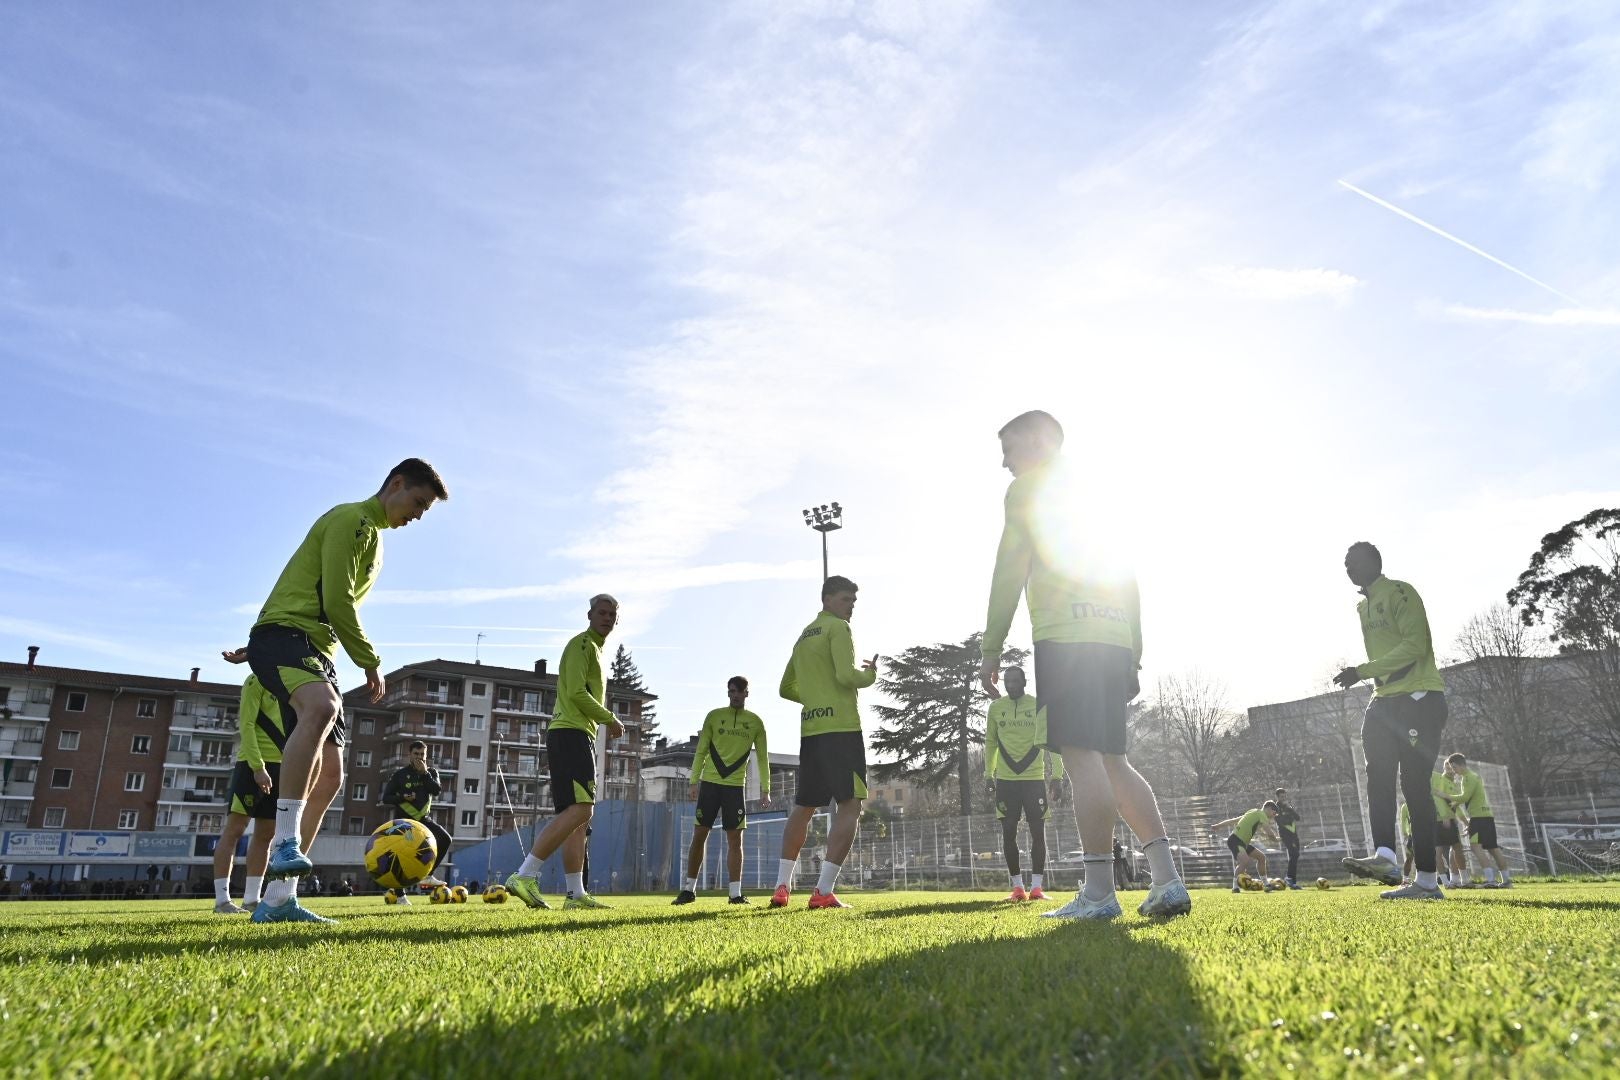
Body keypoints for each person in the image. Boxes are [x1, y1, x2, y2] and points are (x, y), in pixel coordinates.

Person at [979, 410, 1190, 920]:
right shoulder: (1096, 486)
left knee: (1081, 758)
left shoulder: (1027, 488)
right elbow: (1127, 572)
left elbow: (1010, 568)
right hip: (1112, 635)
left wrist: (991, 646)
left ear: (1035, 440)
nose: (1004, 461)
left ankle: (1098, 892)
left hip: (1067, 638)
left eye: (1008, 448)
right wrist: (1133, 649)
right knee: (1114, 759)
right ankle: (1167, 882)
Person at [240, 457, 448, 925]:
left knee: (331, 777)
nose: (416, 516)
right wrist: (370, 660)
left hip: (314, 650)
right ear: (395, 484)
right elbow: (334, 602)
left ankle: (277, 901)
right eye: (416, 503)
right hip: (289, 637)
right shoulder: (351, 519)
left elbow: (317, 592)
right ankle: (285, 841)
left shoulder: (373, 538)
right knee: (322, 704)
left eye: (425, 511)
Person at [1334, 541, 1449, 901]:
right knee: (1377, 774)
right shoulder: (1361, 605)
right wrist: (1371, 677)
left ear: (1373, 562)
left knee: (1415, 787)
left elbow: (1415, 647)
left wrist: (1362, 671)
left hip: (1420, 698)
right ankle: (1385, 855)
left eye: (1352, 561)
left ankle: (1428, 882)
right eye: (1345, 563)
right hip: (1383, 702)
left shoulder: (1401, 592)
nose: (1347, 568)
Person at [505, 595, 625, 911]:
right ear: (589, 614)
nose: (607, 618)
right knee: (582, 810)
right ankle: (525, 874)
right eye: (602, 612)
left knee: (578, 817)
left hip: (576, 734)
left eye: (612, 614)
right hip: (570, 734)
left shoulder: (596, 650)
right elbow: (575, 692)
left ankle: (575, 894)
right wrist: (609, 718)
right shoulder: (581, 645)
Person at [772, 575, 878, 910]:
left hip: (811, 731)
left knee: (804, 807)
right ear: (828, 599)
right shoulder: (838, 629)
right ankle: (823, 892)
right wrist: (870, 675)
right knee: (851, 805)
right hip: (842, 729)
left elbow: (786, 688)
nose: (852, 608)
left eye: (853, 602)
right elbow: (848, 676)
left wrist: (816, 697)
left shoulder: (804, 636)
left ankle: (781, 887)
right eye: (847, 599)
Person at [675, 676, 769, 905]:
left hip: (735, 788)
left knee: (735, 841)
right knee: (699, 836)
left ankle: (735, 894)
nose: (735, 695)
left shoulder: (756, 722)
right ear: (727, 693)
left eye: (739, 691)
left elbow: (763, 758)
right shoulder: (714, 717)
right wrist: (693, 781)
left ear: (747, 693)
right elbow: (701, 751)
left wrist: (766, 790)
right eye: (731, 691)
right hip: (710, 784)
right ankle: (689, 890)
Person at [984, 665, 1064, 902]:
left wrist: (1057, 776)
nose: (1010, 685)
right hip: (1006, 782)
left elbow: (1052, 741)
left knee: (1038, 833)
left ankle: (1037, 888)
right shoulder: (996, 708)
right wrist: (989, 775)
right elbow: (991, 743)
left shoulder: (1039, 705)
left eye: (1015, 680)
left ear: (1024, 682)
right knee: (1008, 832)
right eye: (1007, 681)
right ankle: (1018, 888)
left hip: (1034, 780)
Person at [382, 740, 451, 888]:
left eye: (422, 754)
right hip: (403, 821)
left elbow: (436, 791)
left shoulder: (431, 773)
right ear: (410, 755)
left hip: (423, 820)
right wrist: (402, 797)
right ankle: (399, 894)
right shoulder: (400, 774)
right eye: (416, 754)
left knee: (445, 839)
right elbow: (386, 797)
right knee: (399, 856)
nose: (419, 757)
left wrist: (424, 773)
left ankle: (428, 875)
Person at [1444, 753, 1513, 888]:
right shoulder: (1473, 776)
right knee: (1493, 848)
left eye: (1454, 767)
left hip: (1479, 818)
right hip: (1486, 816)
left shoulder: (1468, 778)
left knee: (1475, 847)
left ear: (1461, 764)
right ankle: (1507, 881)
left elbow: (1464, 797)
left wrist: (1446, 796)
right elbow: (1469, 798)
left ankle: (1491, 881)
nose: (1454, 771)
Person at [1213, 803, 1279, 892]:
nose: (1273, 816)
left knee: (1261, 857)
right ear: (1269, 809)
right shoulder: (1262, 814)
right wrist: (1278, 840)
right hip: (1235, 840)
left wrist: (1218, 826)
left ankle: (1266, 885)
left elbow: (1234, 821)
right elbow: (1269, 833)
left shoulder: (1252, 811)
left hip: (1242, 843)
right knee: (1245, 861)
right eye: (1274, 814)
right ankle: (1235, 887)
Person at [1272, 788, 1303, 889]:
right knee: (1294, 853)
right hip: (1285, 835)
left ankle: (1292, 881)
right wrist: (1288, 816)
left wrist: (1290, 810)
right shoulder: (1276, 808)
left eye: (1285, 796)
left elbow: (1297, 817)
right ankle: (1289, 878)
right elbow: (1280, 821)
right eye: (1281, 796)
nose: (1284, 798)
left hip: (1294, 834)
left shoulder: (1288, 806)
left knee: (1295, 855)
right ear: (1277, 797)